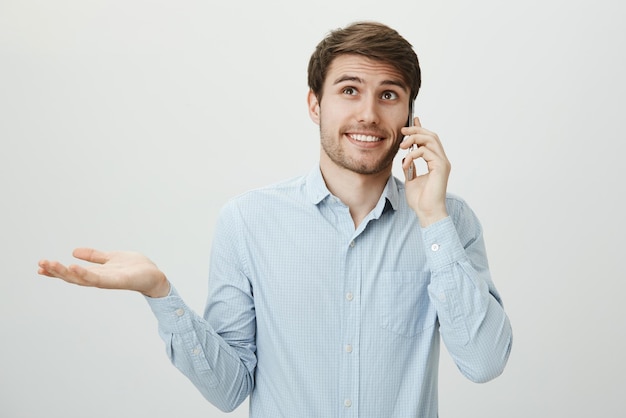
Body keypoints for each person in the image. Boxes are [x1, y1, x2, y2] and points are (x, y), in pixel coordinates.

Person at [38, 21, 512, 417]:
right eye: (350, 91)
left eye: (389, 95)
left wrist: (431, 218)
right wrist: (161, 293)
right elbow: (229, 389)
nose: (368, 114)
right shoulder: (248, 222)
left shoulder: (449, 223)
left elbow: (484, 362)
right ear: (314, 105)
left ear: (411, 113)